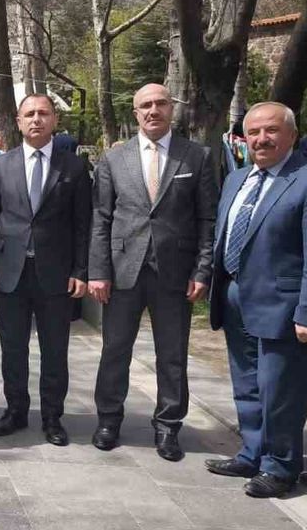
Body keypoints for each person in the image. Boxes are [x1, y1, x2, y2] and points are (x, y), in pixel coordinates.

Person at [206, 102, 307, 498]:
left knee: (282, 390)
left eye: (271, 131)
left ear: (292, 136)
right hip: (235, 296)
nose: (261, 139)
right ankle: (252, 452)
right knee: (247, 384)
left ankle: (281, 467)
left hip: (285, 307)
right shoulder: (236, 180)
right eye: (253, 132)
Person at [88, 83, 219, 461]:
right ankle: (108, 419)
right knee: (115, 350)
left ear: (171, 109)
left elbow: (207, 219)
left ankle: (168, 427)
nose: (153, 110)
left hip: (175, 273)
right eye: (145, 105)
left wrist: (202, 270)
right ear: (135, 113)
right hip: (123, 271)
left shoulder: (196, 156)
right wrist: (99, 270)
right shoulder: (114, 159)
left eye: (160, 103)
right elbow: (101, 218)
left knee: (172, 354)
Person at [0, 94, 91, 446]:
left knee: (55, 350)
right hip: (9, 272)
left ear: (54, 119)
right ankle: (15, 410)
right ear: (19, 121)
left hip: (56, 274)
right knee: (13, 349)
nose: (36, 119)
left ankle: (53, 416)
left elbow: (83, 224)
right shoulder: (1, 166)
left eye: (43, 113)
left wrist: (81, 270)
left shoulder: (74, 167)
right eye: (30, 114)